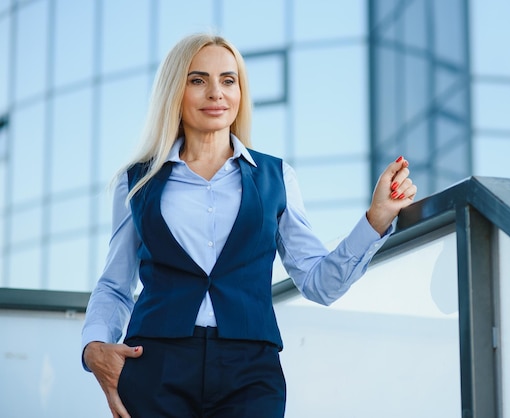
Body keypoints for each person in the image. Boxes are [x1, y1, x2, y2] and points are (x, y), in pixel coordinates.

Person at [81, 33, 417, 418]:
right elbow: (114, 284)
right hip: (156, 365)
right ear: (175, 91)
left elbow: (319, 283)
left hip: (250, 373)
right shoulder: (137, 181)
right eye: (197, 80)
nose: (215, 93)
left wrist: (376, 219)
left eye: (228, 80)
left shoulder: (276, 177)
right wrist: (94, 347)